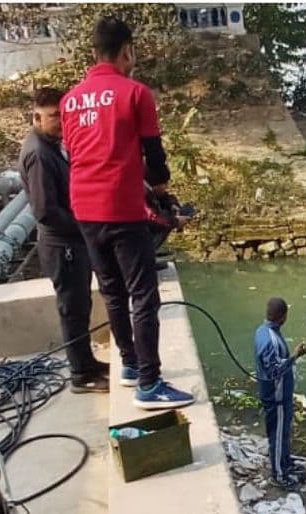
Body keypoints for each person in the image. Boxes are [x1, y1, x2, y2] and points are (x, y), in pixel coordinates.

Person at [61, 16, 194, 410]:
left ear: (92, 54)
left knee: (113, 292)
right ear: (127, 52)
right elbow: (154, 155)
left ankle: (131, 365)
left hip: (84, 209)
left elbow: (75, 153)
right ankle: (150, 384)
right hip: (121, 207)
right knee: (143, 295)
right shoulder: (135, 93)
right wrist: (161, 190)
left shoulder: (70, 99)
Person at [19, 86, 110, 393]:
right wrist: (84, 225)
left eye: (64, 115)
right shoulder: (38, 153)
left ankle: (87, 363)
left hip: (72, 242)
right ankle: (81, 375)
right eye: (53, 116)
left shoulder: (54, 145)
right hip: (62, 244)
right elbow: (45, 211)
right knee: (72, 309)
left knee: (81, 305)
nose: (60, 121)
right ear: (36, 116)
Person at [255, 297, 306, 489]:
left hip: (279, 395)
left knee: (283, 432)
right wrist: (294, 356)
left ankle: (285, 464)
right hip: (275, 397)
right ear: (283, 316)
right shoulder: (273, 341)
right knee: (277, 435)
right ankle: (278, 475)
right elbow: (274, 371)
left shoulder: (262, 331)